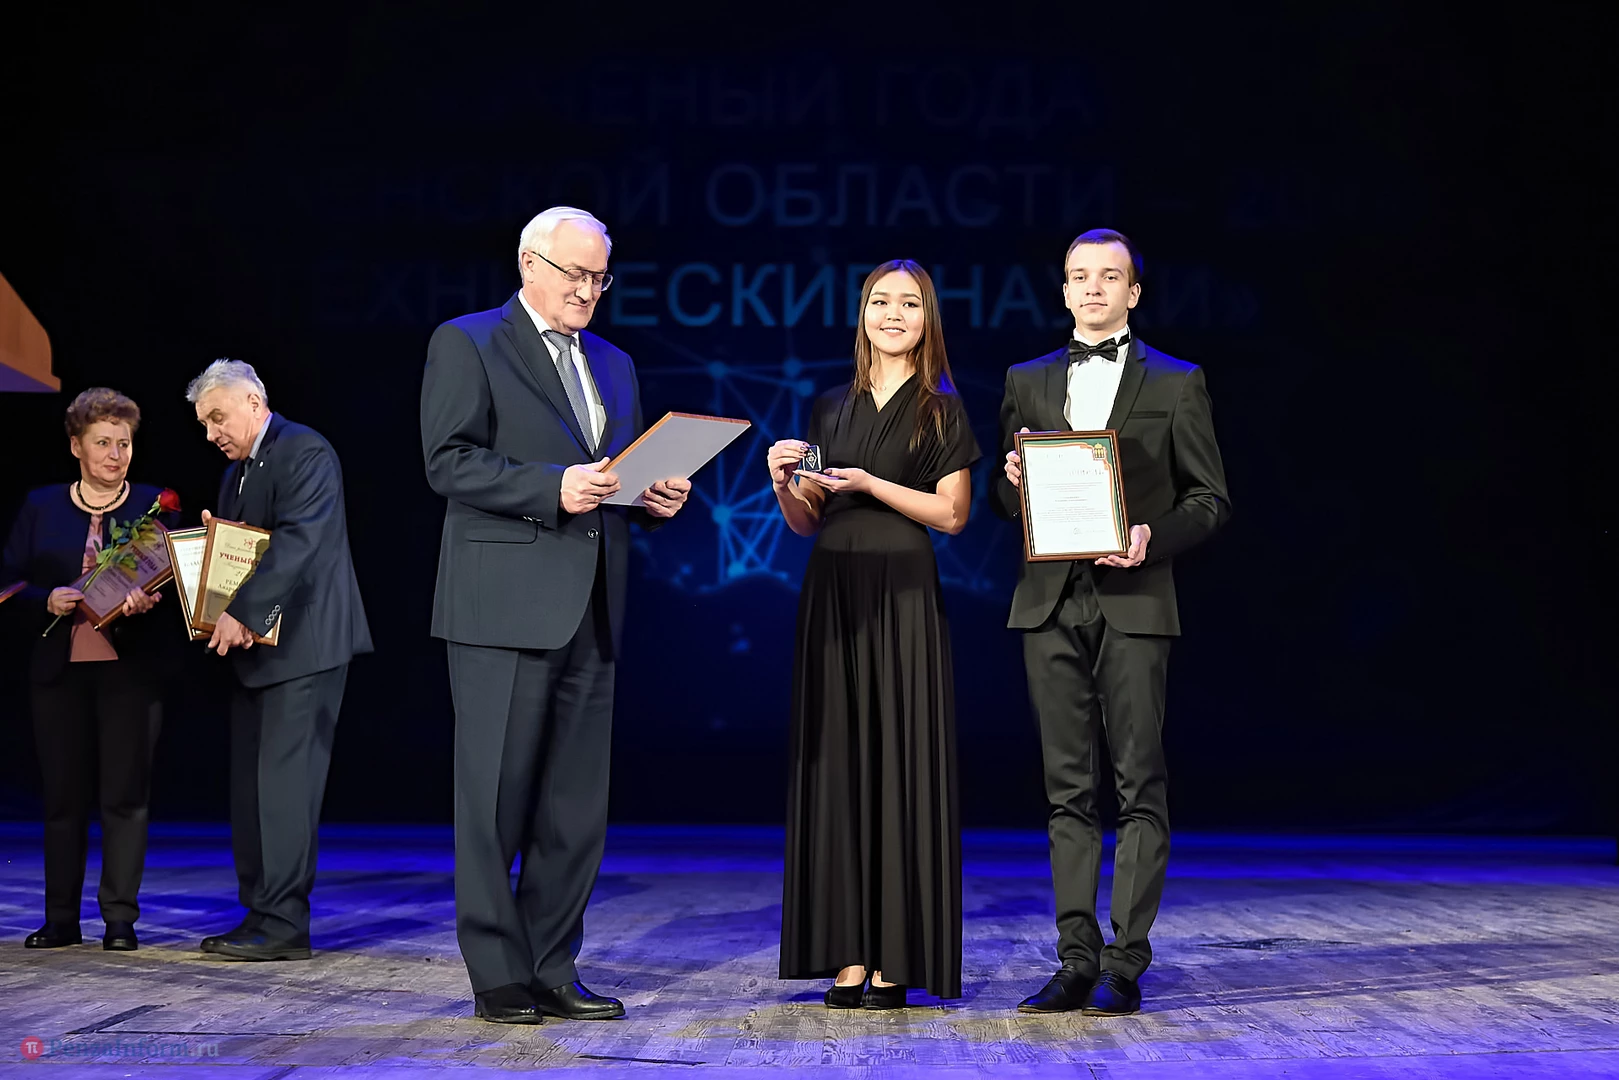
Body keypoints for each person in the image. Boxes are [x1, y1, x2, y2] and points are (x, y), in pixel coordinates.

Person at [420, 207, 692, 1025]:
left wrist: (650, 495)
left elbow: (613, 474)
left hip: (593, 605)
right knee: (494, 800)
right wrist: (552, 486)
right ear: (528, 264)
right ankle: (497, 974)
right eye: (574, 273)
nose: (587, 290)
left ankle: (552, 967)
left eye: (599, 277)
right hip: (500, 606)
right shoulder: (468, 341)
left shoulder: (614, 361)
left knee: (574, 808)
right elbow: (447, 461)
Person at [995, 229, 1231, 1016]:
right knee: (1066, 789)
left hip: (1135, 598)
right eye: (1078, 276)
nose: (1091, 287)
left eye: (1108, 276)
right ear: (1063, 290)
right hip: (1048, 601)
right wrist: (1011, 479)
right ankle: (1074, 958)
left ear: (1132, 292)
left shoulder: (1177, 380)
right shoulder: (1025, 379)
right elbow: (1002, 500)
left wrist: (1149, 537)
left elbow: (1209, 499)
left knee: (1137, 782)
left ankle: (1123, 963)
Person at [771, 259, 980, 1008]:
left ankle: (895, 954)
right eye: (880, 301)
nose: (893, 314)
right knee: (839, 763)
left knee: (898, 760)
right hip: (834, 589)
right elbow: (807, 519)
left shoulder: (940, 408)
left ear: (927, 319)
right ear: (862, 313)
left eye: (909, 303)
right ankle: (848, 953)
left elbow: (952, 514)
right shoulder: (830, 404)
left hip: (901, 593)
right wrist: (783, 482)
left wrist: (868, 483)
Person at [187, 359, 372, 960]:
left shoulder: (304, 450)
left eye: (217, 417)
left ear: (253, 401)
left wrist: (242, 611)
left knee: (286, 789)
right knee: (253, 791)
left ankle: (285, 923)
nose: (211, 432)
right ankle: (260, 913)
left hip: (306, 646)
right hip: (258, 652)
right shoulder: (237, 472)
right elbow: (251, 545)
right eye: (204, 423)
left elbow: (299, 542)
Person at [1, 388, 178, 951]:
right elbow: (8, 583)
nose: (115, 454)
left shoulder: (155, 507)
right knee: (63, 798)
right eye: (102, 443)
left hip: (130, 671)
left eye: (124, 443)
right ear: (76, 445)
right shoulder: (41, 506)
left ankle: (120, 919)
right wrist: (44, 601)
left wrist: (147, 603)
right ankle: (60, 920)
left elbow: (181, 589)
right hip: (59, 672)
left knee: (125, 796)